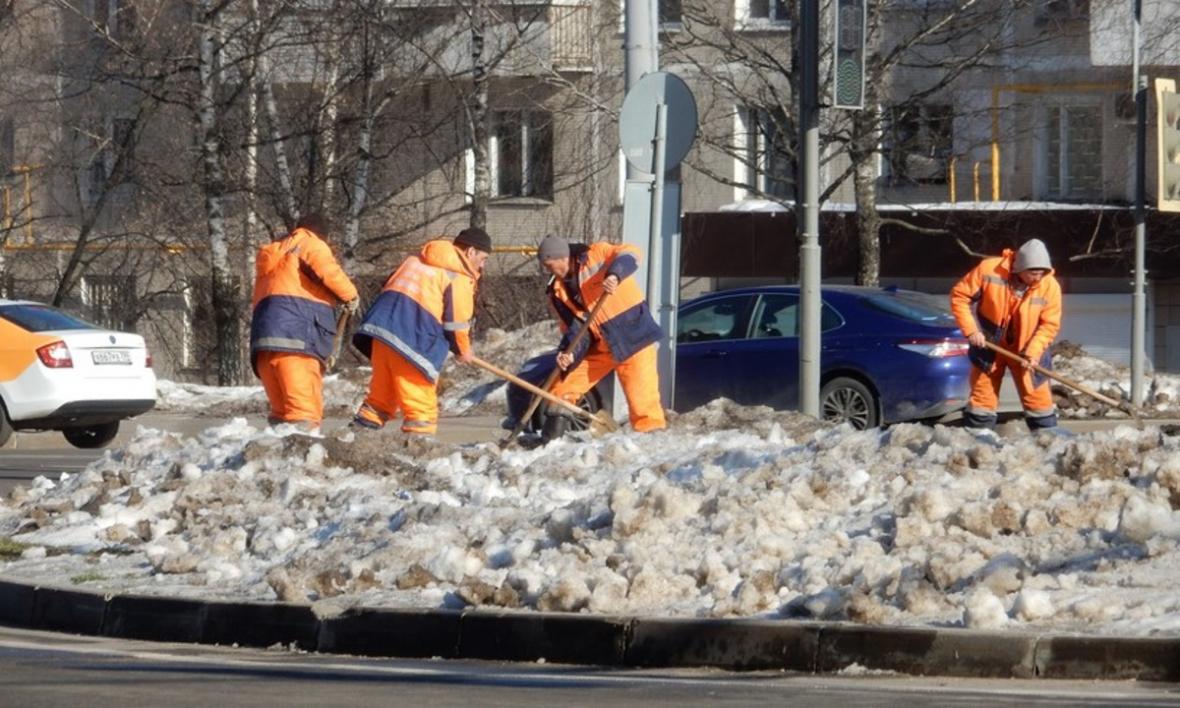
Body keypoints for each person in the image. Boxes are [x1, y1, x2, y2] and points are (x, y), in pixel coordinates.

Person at [351, 227, 492, 435]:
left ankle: (355, 440)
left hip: (381, 334)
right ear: (471, 252)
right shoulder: (458, 276)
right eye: (483, 257)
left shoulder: (414, 261)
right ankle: (419, 448)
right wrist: (463, 350)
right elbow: (457, 323)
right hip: (412, 341)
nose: (483, 264)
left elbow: (387, 286)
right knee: (420, 403)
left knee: (382, 395)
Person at [536, 234, 666, 440]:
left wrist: (615, 274)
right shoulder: (557, 291)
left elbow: (632, 252)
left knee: (643, 404)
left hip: (633, 338)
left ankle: (652, 446)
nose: (550, 271)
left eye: (550, 265)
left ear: (563, 257)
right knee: (561, 390)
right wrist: (567, 353)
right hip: (602, 347)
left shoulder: (597, 254)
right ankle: (550, 443)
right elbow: (576, 330)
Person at [250, 213, 360, 432]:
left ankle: (275, 459)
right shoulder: (310, 244)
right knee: (303, 413)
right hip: (297, 341)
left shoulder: (274, 254)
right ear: (322, 235)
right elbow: (328, 272)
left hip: (264, 345)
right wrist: (351, 296)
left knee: (281, 414)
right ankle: (301, 456)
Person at [950, 237, 1062, 431]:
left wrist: (1033, 352)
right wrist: (972, 331)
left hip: (1027, 347)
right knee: (982, 400)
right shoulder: (989, 270)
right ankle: (980, 445)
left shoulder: (1049, 286)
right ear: (1019, 268)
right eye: (1033, 273)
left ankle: (1047, 442)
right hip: (989, 345)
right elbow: (959, 297)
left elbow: (1049, 324)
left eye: (1042, 273)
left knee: (1039, 402)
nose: (1037, 278)